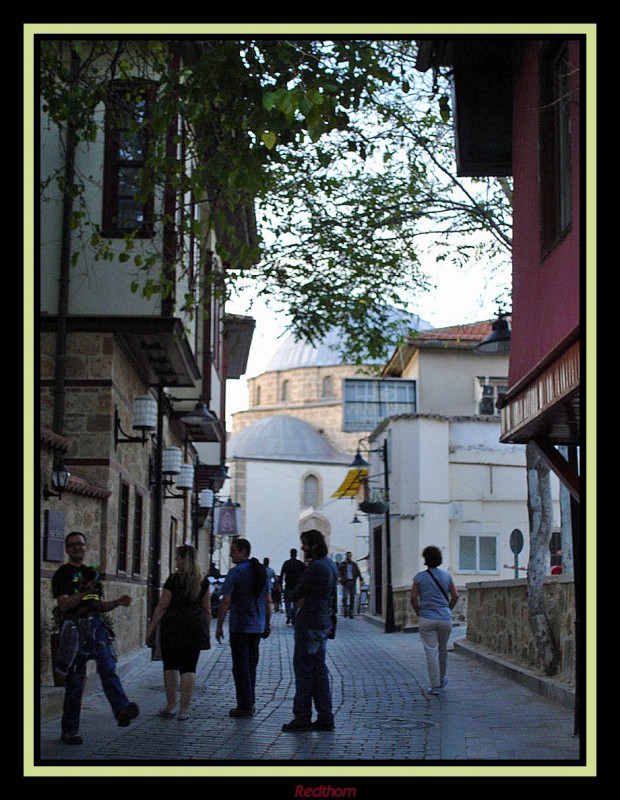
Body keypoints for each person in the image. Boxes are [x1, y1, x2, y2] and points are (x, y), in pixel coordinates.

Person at [52, 531, 140, 745]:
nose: (77, 548)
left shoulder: (92, 574)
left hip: (95, 627)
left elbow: (97, 605)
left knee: (108, 669)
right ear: (67, 549)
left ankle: (121, 710)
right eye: (72, 545)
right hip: (74, 631)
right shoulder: (62, 574)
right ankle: (69, 731)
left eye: (80, 544)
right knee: (75, 684)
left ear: (85, 546)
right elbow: (64, 605)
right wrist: (84, 592)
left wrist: (117, 602)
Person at [281, 530, 339, 732]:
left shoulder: (316, 568)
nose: (302, 548)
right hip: (323, 622)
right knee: (319, 671)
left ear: (314, 545)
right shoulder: (331, 565)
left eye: (305, 544)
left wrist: (287, 592)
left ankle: (303, 715)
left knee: (304, 670)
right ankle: (325, 715)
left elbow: (296, 592)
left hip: (310, 623)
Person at [145, 544, 211, 721]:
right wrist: (207, 630)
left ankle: (171, 705)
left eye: (178, 557)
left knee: (171, 665)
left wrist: (151, 628)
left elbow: (162, 606)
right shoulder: (203, 581)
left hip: (173, 626)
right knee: (189, 667)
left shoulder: (173, 580)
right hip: (195, 627)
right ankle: (185, 709)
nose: (176, 560)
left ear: (184, 559)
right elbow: (207, 609)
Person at [216, 538, 271, 717]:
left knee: (240, 666)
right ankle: (250, 700)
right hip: (257, 626)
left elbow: (226, 600)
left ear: (243, 551)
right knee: (251, 665)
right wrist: (267, 622)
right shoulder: (260, 572)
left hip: (240, 626)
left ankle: (244, 705)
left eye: (233, 550)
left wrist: (219, 625)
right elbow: (267, 600)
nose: (231, 553)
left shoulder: (236, 572)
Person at [410, 545, 459, 696]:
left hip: (427, 618)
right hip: (445, 618)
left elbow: (413, 598)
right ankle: (443, 678)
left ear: (425, 559)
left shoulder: (419, 577)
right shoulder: (446, 576)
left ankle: (435, 684)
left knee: (431, 652)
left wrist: (419, 612)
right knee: (443, 650)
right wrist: (447, 609)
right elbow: (455, 595)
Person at [279, 547, 305, 624]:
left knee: (287, 602)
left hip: (288, 586)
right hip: (297, 586)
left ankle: (289, 615)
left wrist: (280, 584)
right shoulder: (300, 564)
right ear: (296, 554)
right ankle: (293, 615)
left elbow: (281, 575)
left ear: (290, 554)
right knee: (296, 602)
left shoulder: (286, 563)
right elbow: (304, 575)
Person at [338, 551, 362, 618]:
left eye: (350, 556)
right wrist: (339, 578)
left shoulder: (354, 564)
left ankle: (351, 613)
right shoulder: (343, 564)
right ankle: (345, 611)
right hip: (345, 582)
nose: (349, 557)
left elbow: (358, 572)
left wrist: (361, 579)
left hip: (352, 582)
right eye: (348, 556)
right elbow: (339, 570)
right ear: (346, 556)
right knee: (345, 597)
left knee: (352, 597)